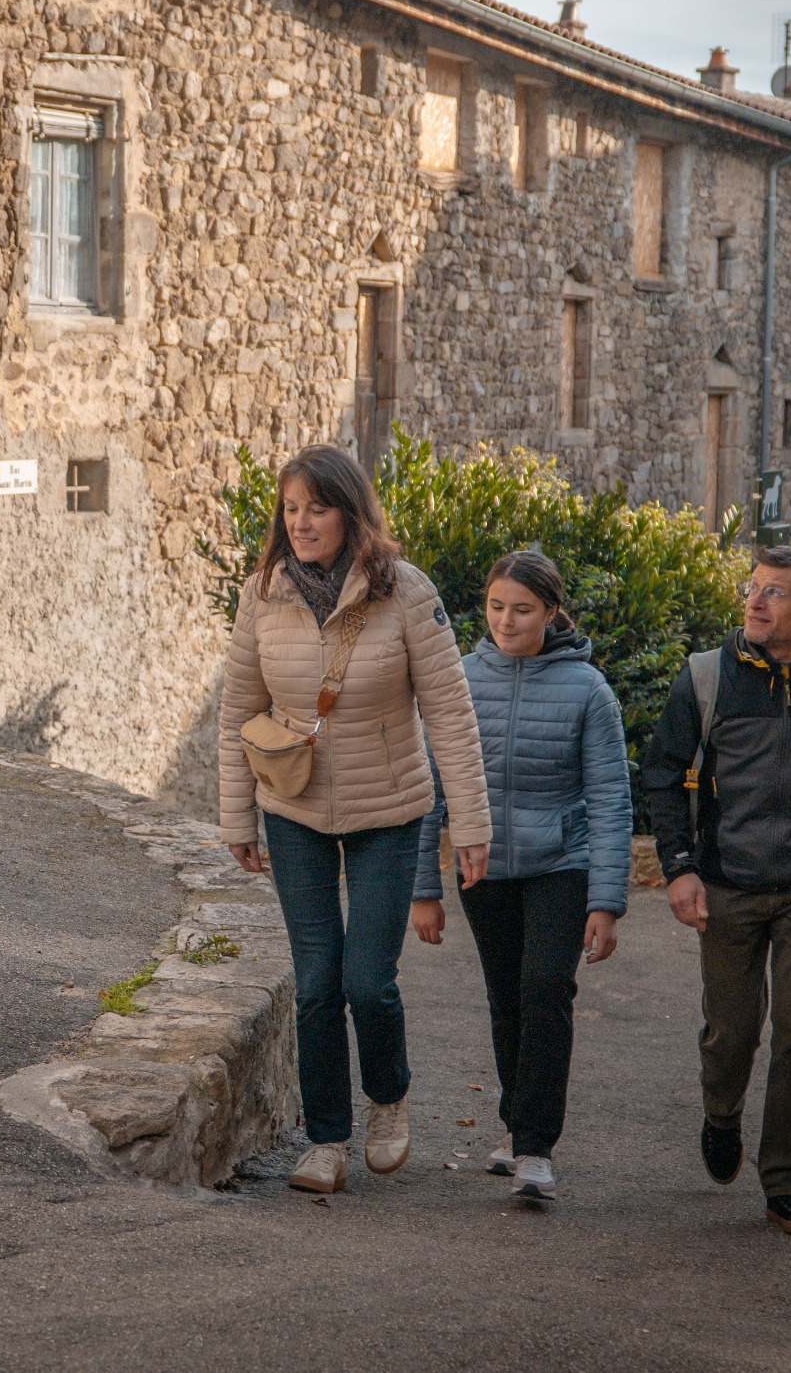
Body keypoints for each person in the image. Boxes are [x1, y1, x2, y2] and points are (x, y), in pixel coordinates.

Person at [219, 445, 492, 1194]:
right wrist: (236, 815)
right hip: (293, 808)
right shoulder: (262, 595)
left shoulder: (405, 593)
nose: (301, 523)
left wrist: (470, 826)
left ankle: (389, 1097)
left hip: (389, 811)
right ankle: (326, 1140)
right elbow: (237, 712)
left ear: (351, 511)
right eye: (291, 508)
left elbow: (452, 717)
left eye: (318, 507)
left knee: (367, 981)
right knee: (315, 983)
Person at [643, 544, 791, 1240]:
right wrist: (680, 866)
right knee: (732, 1034)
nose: (754, 601)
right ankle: (722, 1113)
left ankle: (789, 1185)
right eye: (753, 588)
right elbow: (663, 773)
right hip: (727, 883)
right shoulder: (707, 677)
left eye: (774, 593)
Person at [411, 551, 632, 1204]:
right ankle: (516, 1128)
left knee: (544, 990)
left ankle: (535, 1147)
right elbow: (431, 791)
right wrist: (425, 889)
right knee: (507, 998)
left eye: (523, 609)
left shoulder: (589, 691)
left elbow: (612, 801)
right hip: (485, 870)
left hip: (562, 864)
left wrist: (607, 900)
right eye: (497, 607)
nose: (507, 620)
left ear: (552, 612)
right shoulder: (458, 680)